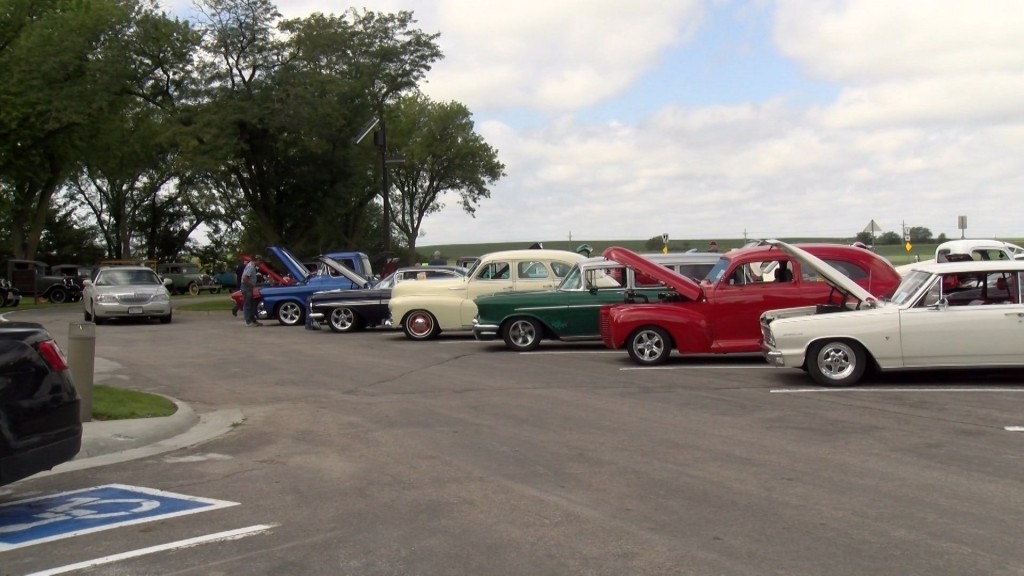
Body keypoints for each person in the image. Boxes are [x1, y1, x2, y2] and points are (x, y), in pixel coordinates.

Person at [241, 256, 263, 327]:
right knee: (248, 304)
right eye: (259, 260)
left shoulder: (252, 266)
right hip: (247, 287)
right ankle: (248, 321)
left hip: (249, 287)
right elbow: (245, 278)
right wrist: (250, 285)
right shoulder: (250, 266)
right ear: (256, 260)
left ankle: (253, 319)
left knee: (252, 304)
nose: (260, 262)